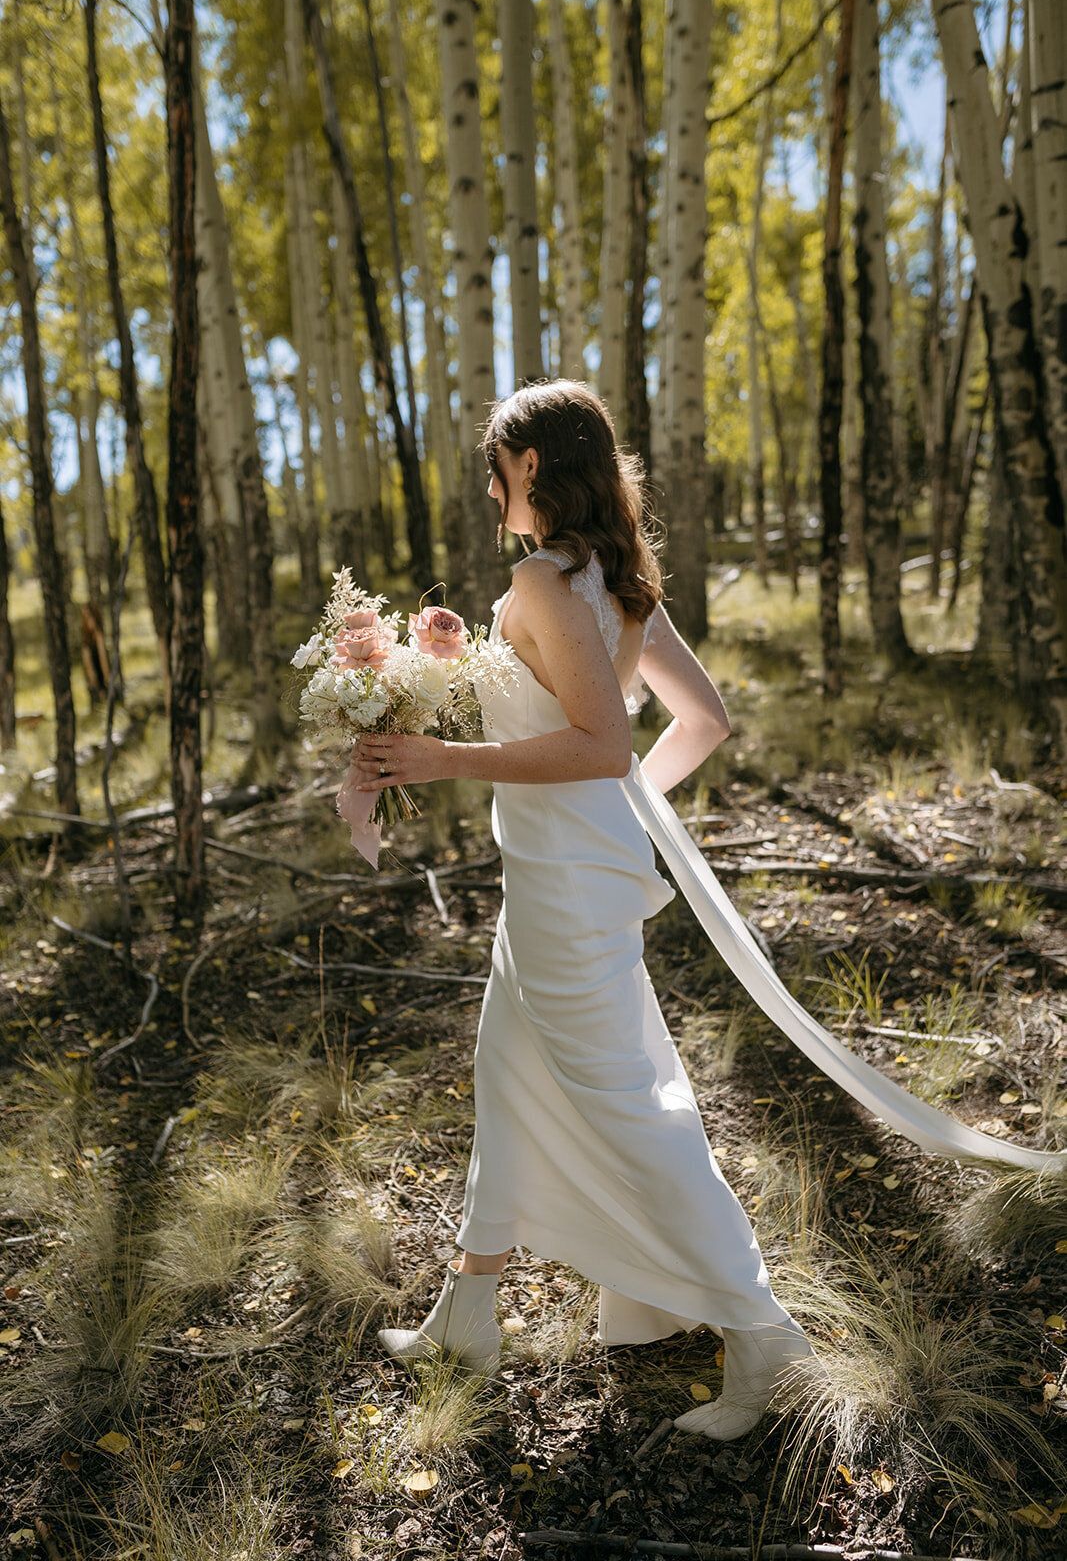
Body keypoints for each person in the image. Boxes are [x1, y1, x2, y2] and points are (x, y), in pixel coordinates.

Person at [351, 379, 1065, 1441]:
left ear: (530, 465)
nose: (487, 488)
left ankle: (761, 1331)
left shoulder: (542, 583)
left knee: (636, 1116)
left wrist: (442, 758)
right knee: (504, 1079)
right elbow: (697, 723)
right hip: (565, 878)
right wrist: (580, 778)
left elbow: (597, 745)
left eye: (492, 467)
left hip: (562, 893)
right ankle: (469, 1308)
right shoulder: (609, 579)